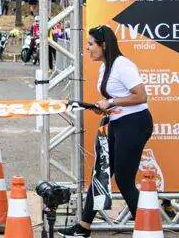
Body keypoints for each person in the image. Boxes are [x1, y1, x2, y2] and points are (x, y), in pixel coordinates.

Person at [58, 25, 151, 238]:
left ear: (104, 45)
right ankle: (83, 228)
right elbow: (114, 101)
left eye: (91, 44)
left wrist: (110, 102)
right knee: (101, 174)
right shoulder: (105, 67)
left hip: (135, 123)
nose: (88, 48)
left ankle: (147, 229)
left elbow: (141, 96)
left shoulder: (122, 65)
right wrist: (96, 107)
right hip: (118, 123)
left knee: (124, 180)